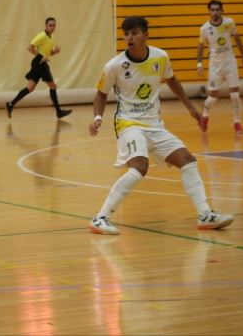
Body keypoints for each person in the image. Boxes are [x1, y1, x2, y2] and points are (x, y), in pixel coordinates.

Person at [88, 16, 233, 235]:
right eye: (126, 33)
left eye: (134, 33)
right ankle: (100, 218)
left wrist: (191, 108)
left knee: (187, 160)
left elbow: (172, 81)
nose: (129, 37)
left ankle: (205, 215)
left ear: (146, 34)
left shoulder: (160, 57)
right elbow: (100, 94)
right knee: (139, 166)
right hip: (129, 124)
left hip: (154, 125)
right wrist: (98, 117)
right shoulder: (115, 65)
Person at [5, 17, 72, 119]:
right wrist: (40, 56)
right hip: (39, 63)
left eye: (54, 25)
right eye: (50, 25)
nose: (52, 27)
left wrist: (55, 52)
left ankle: (11, 104)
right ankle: (59, 112)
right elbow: (30, 47)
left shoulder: (51, 37)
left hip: (39, 63)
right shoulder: (41, 36)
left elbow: (47, 53)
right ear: (46, 26)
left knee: (30, 88)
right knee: (53, 86)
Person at [197, 0, 243, 134]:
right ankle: (205, 115)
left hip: (230, 62)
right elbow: (200, 46)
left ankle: (237, 123)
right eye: (212, 10)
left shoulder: (229, 23)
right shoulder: (205, 29)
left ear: (222, 11)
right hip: (215, 65)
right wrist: (199, 63)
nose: (215, 12)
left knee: (235, 95)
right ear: (209, 11)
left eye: (218, 9)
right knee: (213, 98)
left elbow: (237, 38)